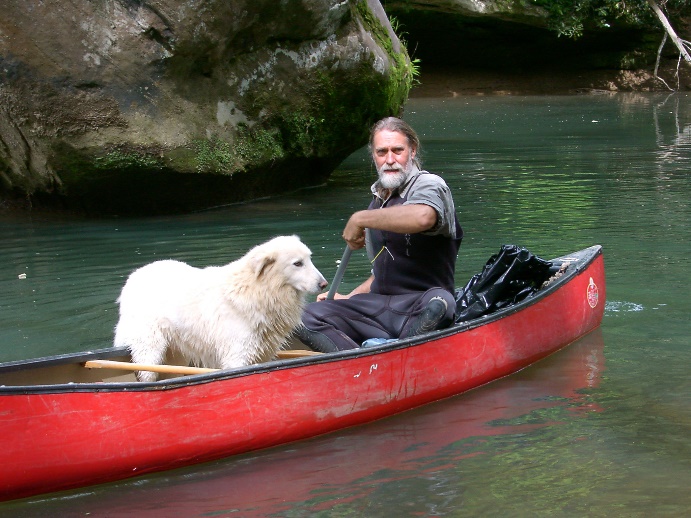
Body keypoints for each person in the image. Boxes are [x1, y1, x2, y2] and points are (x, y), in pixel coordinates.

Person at [296, 116, 463, 352]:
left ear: (412, 151)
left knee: (440, 303)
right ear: (374, 155)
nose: (390, 160)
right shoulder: (377, 201)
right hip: (378, 308)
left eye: (398, 150)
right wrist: (349, 297)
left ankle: (391, 355)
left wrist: (360, 218)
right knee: (301, 316)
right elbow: (382, 271)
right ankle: (357, 361)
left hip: (421, 303)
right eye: (382, 152)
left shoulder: (429, 184)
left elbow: (423, 217)